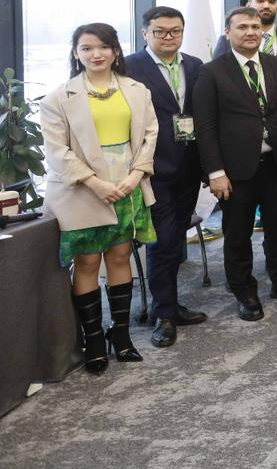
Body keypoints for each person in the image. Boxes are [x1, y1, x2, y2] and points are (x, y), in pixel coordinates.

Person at [43, 23, 158, 373]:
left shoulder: (136, 90)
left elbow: (149, 135)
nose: (96, 54)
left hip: (128, 184)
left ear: (115, 51)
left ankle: (120, 335)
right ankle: (93, 340)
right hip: (83, 189)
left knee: (121, 256)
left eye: (104, 47)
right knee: (89, 262)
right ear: (76, 53)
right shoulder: (58, 97)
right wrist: (95, 183)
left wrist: (136, 176)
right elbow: (57, 151)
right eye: (87, 48)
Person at [194, 7, 277, 321]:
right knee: (238, 234)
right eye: (242, 27)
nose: (250, 32)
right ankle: (244, 290)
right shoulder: (211, 72)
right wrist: (215, 172)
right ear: (228, 32)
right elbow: (205, 126)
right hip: (235, 170)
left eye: (255, 27)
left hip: (276, 163)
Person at [123, 7, 207, 348]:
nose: (169, 36)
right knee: (162, 241)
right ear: (145, 33)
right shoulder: (130, 68)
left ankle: (170, 304)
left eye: (175, 31)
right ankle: (164, 315)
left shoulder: (195, 66)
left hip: (189, 166)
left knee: (174, 240)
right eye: (160, 31)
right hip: (152, 168)